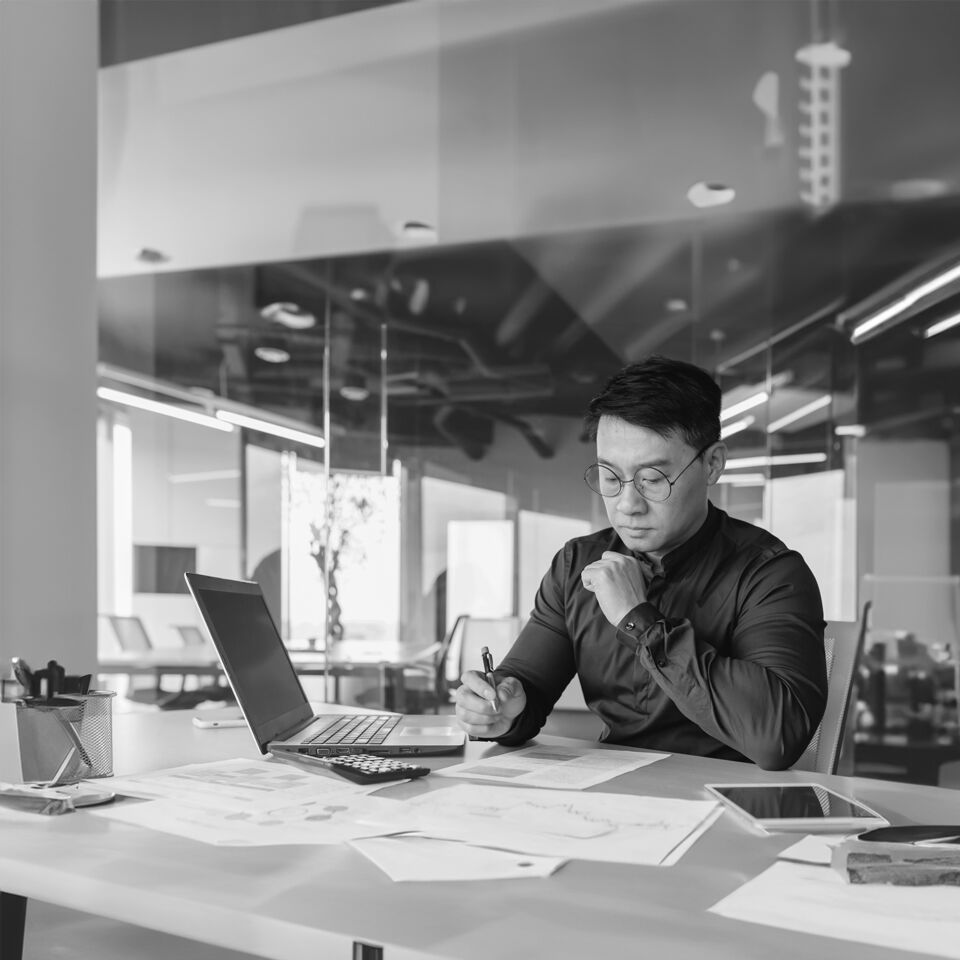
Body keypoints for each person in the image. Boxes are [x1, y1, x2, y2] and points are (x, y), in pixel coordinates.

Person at [454, 355, 827, 770]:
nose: (628, 504)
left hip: (728, 797)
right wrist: (499, 711)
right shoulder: (577, 565)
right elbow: (527, 688)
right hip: (613, 794)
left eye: (652, 479)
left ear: (712, 464)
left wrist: (639, 620)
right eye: (610, 478)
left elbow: (778, 737)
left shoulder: (770, 573)